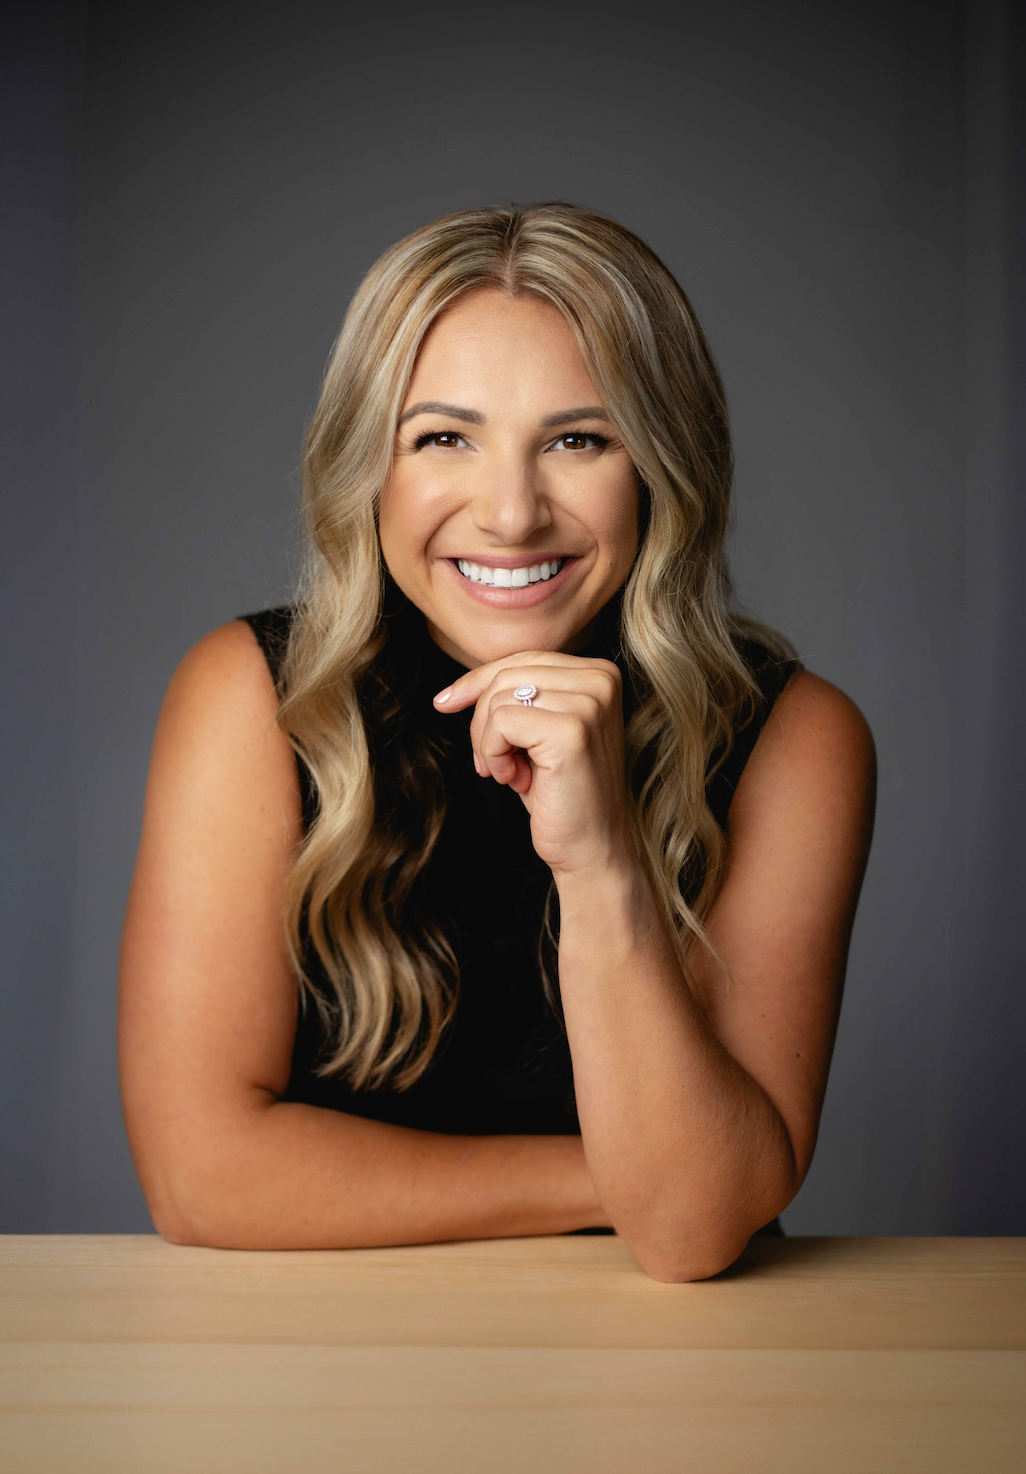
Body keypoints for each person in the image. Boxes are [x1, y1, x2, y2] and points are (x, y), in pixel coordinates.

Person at [119, 203, 875, 1282]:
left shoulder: (796, 739)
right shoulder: (252, 698)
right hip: (311, 1343)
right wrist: (621, 1180)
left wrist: (601, 863)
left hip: (659, 1355)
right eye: (444, 437)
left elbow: (692, 1233)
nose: (513, 514)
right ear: (369, 465)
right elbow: (201, 1178)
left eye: (578, 439)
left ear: (659, 463)